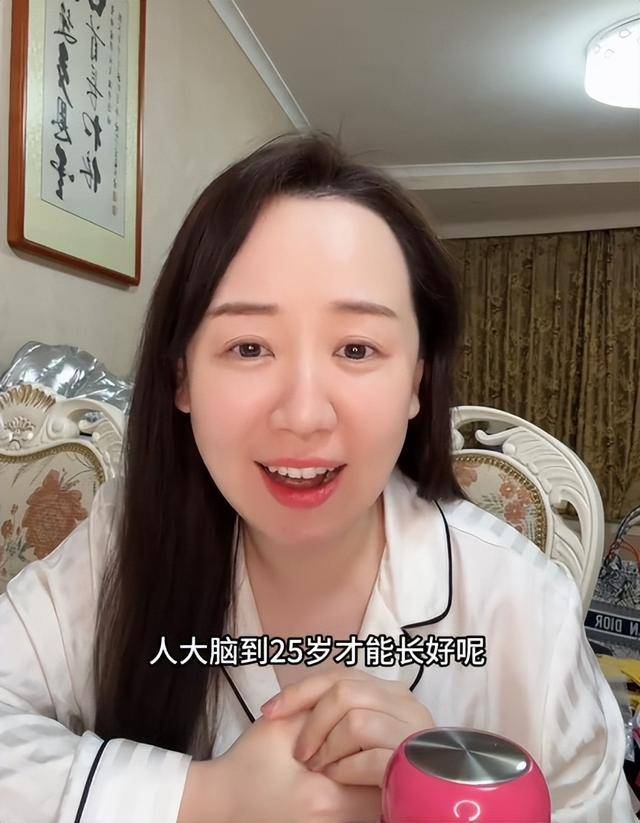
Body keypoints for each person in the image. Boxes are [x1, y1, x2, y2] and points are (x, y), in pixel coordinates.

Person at [0, 131, 635, 823]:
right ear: (182, 376)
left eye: (357, 349)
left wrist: (444, 801)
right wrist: (204, 797)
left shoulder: (522, 603)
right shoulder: (122, 542)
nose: (304, 415)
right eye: (249, 347)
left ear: (417, 382)